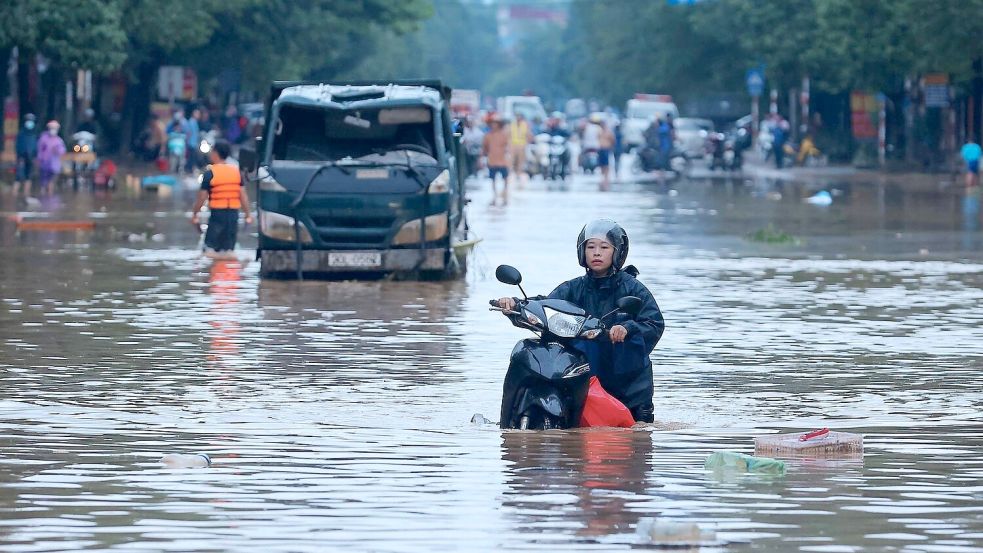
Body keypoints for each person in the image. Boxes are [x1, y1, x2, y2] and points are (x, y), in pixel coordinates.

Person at [498, 219, 665, 422]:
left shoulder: (634, 289)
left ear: (617, 252)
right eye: (591, 246)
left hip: (626, 383)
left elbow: (654, 323)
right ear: (582, 251)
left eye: (604, 247)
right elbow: (547, 304)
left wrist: (627, 328)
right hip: (579, 375)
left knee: (636, 440)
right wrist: (515, 304)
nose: (596, 253)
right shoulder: (573, 288)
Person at [191, 140, 253, 254]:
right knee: (228, 249)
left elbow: (201, 198)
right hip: (233, 216)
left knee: (209, 250)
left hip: (217, 216)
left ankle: (213, 268)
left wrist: (195, 214)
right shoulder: (236, 172)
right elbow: (243, 196)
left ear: (215, 153)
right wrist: (248, 215)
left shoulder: (210, 173)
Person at [482, 116, 510, 205]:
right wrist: (482, 158)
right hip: (492, 160)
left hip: (502, 161)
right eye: (492, 124)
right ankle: (494, 195)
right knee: (493, 179)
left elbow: (508, 147)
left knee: (505, 178)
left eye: (496, 124)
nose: (494, 125)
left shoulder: (504, 135)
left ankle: (504, 194)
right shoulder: (488, 136)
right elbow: (484, 148)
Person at [36, 120, 67, 193]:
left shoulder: (58, 140)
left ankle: (50, 195)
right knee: (43, 182)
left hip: (54, 165)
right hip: (44, 163)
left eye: (55, 128)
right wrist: (39, 160)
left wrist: (57, 150)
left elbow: (62, 151)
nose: (53, 130)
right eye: (52, 128)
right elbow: (39, 150)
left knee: (51, 181)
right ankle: (43, 194)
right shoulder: (43, 138)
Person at [13, 114, 38, 196]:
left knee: (29, 176)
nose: (30, 123)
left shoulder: (34, 134)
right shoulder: (21, 133)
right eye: (28, 120)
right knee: (18, 176)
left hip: (30, 158)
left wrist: (35, 157)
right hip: (21, 158)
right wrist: (19, 157)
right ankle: (14, 194)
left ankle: (26, 194)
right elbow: (18, 146)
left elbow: (35, 146)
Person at [509, 113, 532, 185]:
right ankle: (511, 174)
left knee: (520, 161)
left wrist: (526, 143)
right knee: (512, 161)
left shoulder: (525, 125)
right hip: (513, 145)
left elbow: (528, 135)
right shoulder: (512, 125)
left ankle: (518, 174)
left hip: (522, 145)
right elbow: (509, 134)